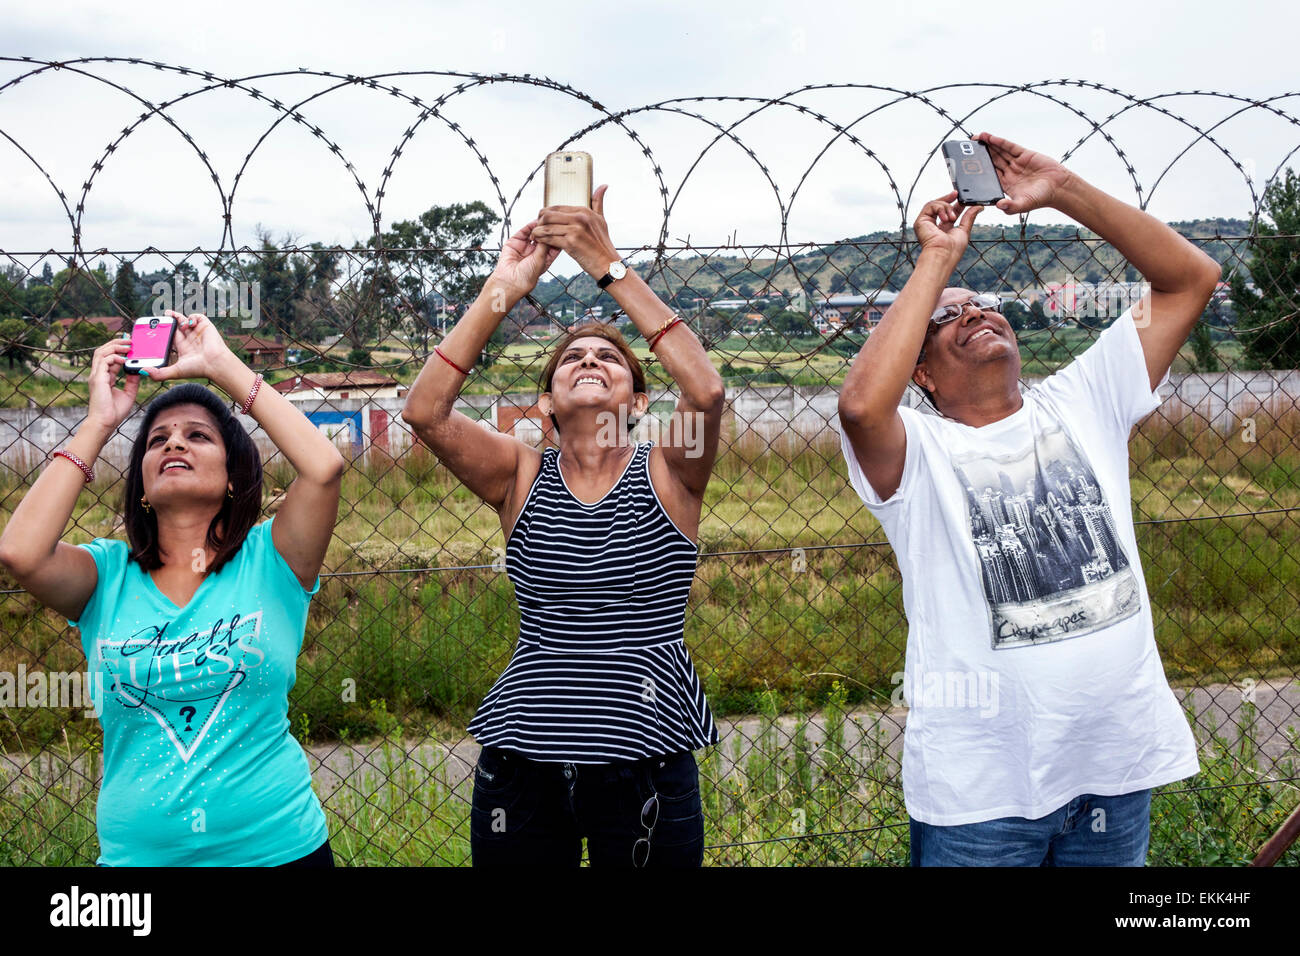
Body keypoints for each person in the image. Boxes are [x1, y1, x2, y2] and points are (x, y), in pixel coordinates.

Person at [837, 133, 1221, 866]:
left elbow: (1189, 278)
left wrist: (1064, 189)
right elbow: (860, 407)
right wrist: (938, 261)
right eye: (946, 319)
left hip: (1115, 772)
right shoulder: (917, 455)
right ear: (920, 374)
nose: (975, 312)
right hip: (982, 795)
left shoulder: (1085, 399)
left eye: (981, 302)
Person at [402, 185, 724, 867]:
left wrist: (606, 265)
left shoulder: (670, 469)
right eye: (571, 359)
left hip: (648, 758)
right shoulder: (519, 475)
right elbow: (425, 411)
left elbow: (705, 390)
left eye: (609, 358)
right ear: (545, 400)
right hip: (523, 761)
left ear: (638, 400)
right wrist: (504, 287)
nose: (587, 360)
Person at [0, 311, 345, 866]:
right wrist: (99, 422)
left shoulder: (273, 560)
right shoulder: (105, 576)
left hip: (279, 852)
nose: (173, 443)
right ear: (141, 482)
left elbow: (324, 467)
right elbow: (20, 552)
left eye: (198, 435)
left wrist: (220, 366)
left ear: (234, 476)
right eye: (156, 439)